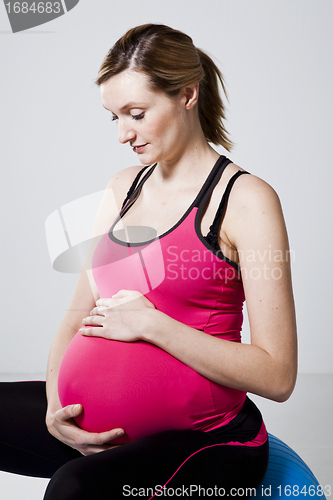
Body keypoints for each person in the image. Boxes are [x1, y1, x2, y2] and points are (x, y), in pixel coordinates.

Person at [0, 24, 297, 499]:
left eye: (135, 114)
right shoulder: (124, 187)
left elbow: (278, 375)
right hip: (97, 434)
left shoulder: (246, 201)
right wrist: (58, 410)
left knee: (72, 489)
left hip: (207, 440)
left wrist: (153, 326)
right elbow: (77, 315)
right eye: (113, 117)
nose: (122, 134)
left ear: (187, 94)